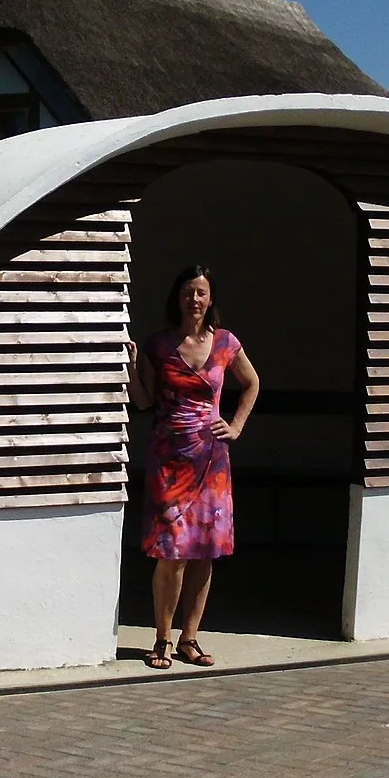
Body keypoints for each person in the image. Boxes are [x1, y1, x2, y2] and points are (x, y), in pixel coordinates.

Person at [125, 264, 260, 669]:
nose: (195, 299)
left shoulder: (226, 343)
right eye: (188, 292)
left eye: (201, 292)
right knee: (172, 552)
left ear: (211, 298)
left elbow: (252, 382)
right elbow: (145, 401)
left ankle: (190, 638)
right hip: (170, 459)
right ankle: (162, 639)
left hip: (212, 460)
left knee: (204, 552)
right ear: (177, 297)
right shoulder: (159, 345)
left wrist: (235, 425)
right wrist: (131, 368)